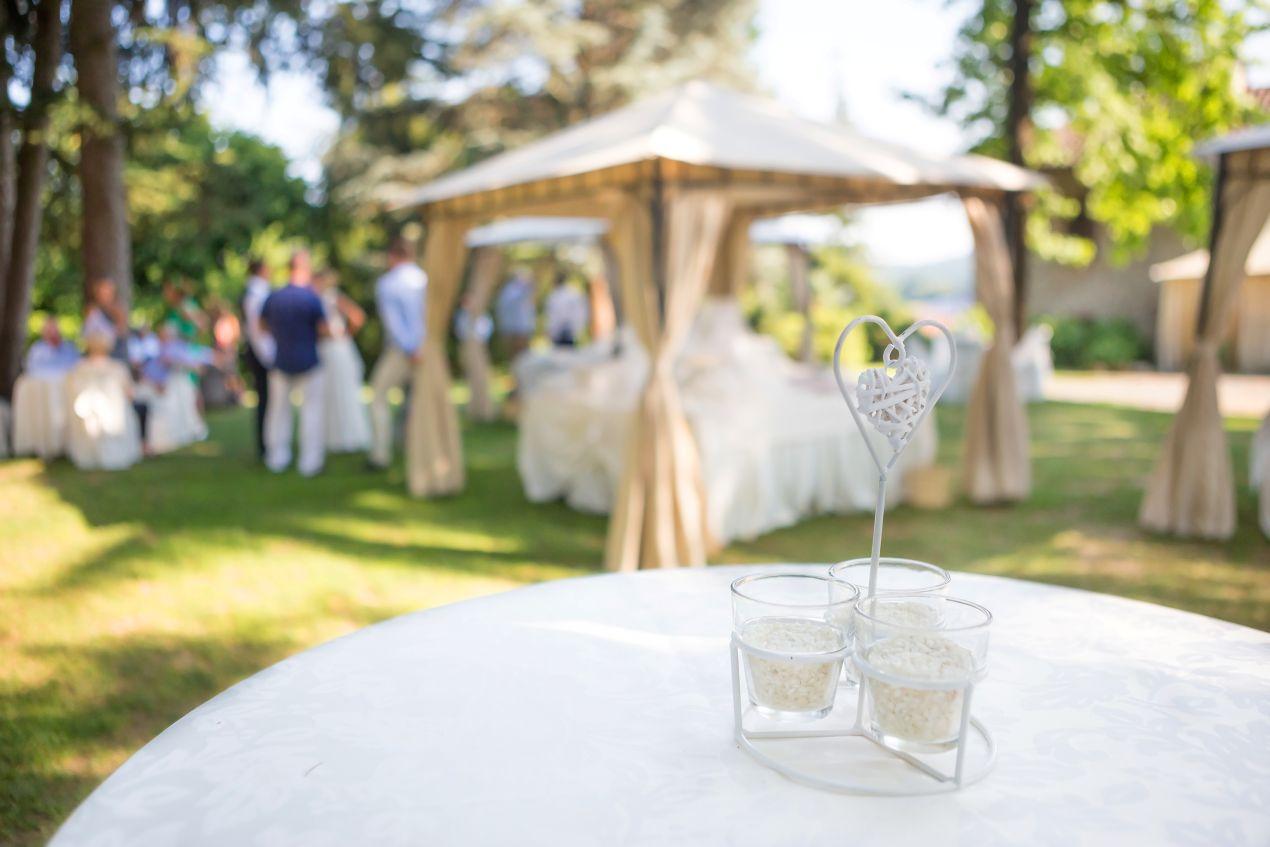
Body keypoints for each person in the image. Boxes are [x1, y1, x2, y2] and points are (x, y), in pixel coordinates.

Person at [260, 250, 328, 476]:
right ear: (305, 269)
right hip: (309, 360)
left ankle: (277, 457)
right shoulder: (311, 298)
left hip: (281, 360)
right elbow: (323, 330)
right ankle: (310, 461)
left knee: (278, 412)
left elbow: (262, 326)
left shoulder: (274, 297)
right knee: (311, 412)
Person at [369, 236, 426, 469]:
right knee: (415, 400)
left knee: (378, 396)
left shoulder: (388, 283)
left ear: (393, 256)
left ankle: (380, 455)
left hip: (403, 350)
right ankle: (413, 446)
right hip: (425, 349)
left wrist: (410, 348)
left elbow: (394, 323)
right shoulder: (424, 279)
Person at [314, 269, 371, 453]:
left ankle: (349, 436)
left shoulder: (332, 297)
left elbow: (357, 316)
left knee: (343, 391)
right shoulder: (316, 299)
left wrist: (344, 335)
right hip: (325, 350)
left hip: (337, 349)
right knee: (329, 392)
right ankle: (333, 437)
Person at [241, 258, 275, 461]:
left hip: (260, 352)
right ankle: (265, 445)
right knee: (266, 400)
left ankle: (268, 443)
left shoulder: (257, 292)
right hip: (261, 353)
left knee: (267, 400)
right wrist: (269, 357)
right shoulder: (256, 294)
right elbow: (257, 331)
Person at [494, 269, 536, 359]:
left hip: (517, 329)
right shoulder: (513, 290)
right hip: (515, 330)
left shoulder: (511, 290)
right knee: (518, 357)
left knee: (520, 357)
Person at [83, 278, 128, 361]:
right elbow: (87, 333)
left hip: (115, 354)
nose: (105, 296)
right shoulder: (93, 311)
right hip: (96, 355)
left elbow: (121, 333)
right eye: (102, 293)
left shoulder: (118, 311)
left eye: (108, 293)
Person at [543, 272, 588, 347]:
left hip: (563, 329)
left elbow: (552, 315)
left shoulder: (554, 295)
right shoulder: (573, 293)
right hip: (566, 329)